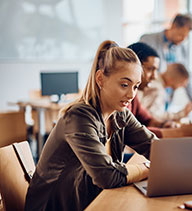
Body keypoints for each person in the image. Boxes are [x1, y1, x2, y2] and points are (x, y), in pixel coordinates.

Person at [25, 40, 156, 211]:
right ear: (100, 79)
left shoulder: (120, 115)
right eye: (124, 85)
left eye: (136, 86)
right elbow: (106, 176)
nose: (131, 94)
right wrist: (146, 168)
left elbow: (156, 149)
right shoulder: (79, 117)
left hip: (87, 200)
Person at [127, 42, 192, 138]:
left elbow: (147, 119)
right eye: (150, 69)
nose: (155, 76)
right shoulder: (123, 97)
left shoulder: (134, 95)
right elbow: (130, 132)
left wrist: (164, 125)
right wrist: (178, 132)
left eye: (156, 70)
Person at [140, 14, 192, 109]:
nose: (182, 39)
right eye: (181, 35)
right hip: (149, 95)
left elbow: (186, 74)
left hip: (167, 98)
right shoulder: (148, 40)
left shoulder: (181, 49)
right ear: (173, 26)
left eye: (186, 37)